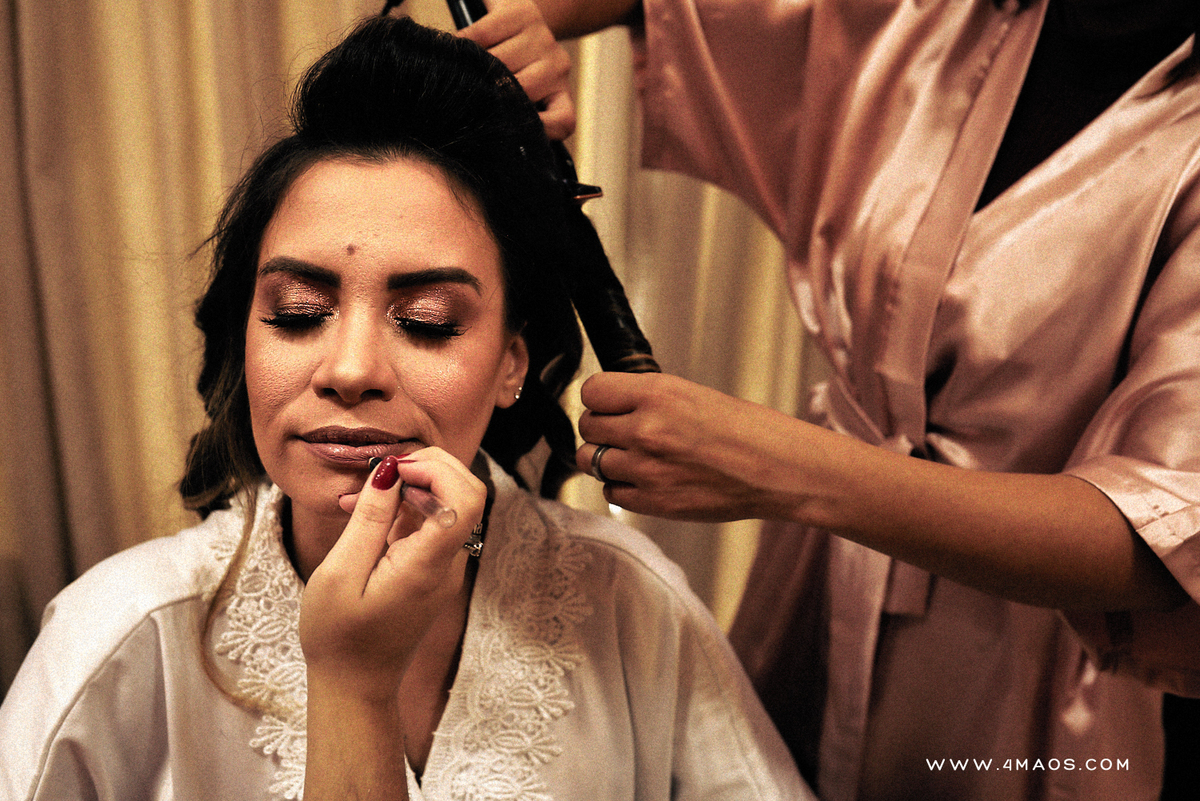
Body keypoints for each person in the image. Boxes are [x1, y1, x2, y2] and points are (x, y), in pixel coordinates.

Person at [0, 16, 809, 801]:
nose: (350, 370)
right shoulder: (120, 635)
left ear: (510, 363)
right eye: (296, 312)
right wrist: (351, 681)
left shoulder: (629, 605)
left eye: (427, 322)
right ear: (244, 337)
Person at [471, 0, 1200, 798]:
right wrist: (528, 24)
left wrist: (783, 468)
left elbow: (1164, 534)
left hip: (1031, 684)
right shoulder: (932, 19)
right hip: (814, 597)